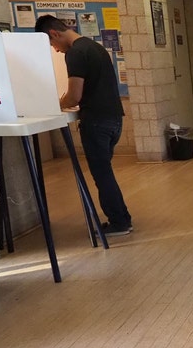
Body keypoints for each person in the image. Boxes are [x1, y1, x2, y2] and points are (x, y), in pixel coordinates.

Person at [34, 15, 134, 236]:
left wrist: (56, 104)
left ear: (54, 34)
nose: (56, 50)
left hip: (96, 121)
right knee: (104, 171)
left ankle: (119, 222)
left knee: (102, 174)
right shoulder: (94, 47)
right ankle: (122, 218)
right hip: (114, 118)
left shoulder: (76, 53)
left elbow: (74, 95)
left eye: (52, 45)